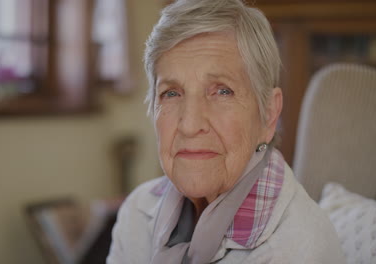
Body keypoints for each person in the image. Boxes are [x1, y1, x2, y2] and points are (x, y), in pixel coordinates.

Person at [107, 0, 345, 263]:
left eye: (222, 91)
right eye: (171, 93)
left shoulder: (296, 251)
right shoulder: (137, 212)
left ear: (268, 115)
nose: (189, 124)